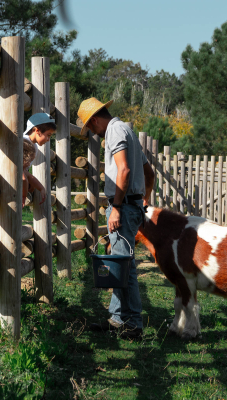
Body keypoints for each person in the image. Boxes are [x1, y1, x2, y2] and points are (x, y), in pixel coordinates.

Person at [78, 97, 155, 339]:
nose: (92, 131)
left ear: (95, 119)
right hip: (133, 204)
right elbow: (148, 171)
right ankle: (118, 317)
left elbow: (124, 170)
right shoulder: (127, 130)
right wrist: (146, 198)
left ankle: (133, 323)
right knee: (122, 263)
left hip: (124, 206)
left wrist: (117, 207)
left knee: (125, 266)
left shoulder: (113, 131)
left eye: (90, 126)